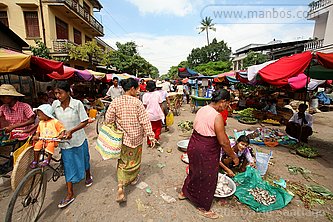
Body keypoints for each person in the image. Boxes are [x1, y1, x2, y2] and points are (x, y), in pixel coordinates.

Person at [179, 89, 239, 219]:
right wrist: (234, 156)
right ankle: (202, 206)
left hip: (194, 144)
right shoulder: (217, 116)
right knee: (208, 177)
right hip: (205, 149)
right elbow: (223, 142)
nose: (227, 107)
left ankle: (185, 193)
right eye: (227, 104)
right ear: (222, 102)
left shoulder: (202, 109)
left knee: (194, 171)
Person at [105, 78, 157, 203]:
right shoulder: (137, 103)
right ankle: (133, 179)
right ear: (132, 89)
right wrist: (151, 135)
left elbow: (108, 119)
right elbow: (145, 121)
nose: (138, 91)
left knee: (123, 162)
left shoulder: (116, 102)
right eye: (137, 89)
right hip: (137, 138)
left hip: (122, 139)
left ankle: (120, 188)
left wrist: (116, 126)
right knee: (135, 160)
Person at [52, 81, 93, 209]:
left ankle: (87, 175)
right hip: (64, 142)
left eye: (60, 93)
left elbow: (85, 121)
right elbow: (51, 119)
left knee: (84, 159)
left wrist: (71, 131)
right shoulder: (55, 105)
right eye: (56, 93)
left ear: (68, 92)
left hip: (78, 138)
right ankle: (70, 193)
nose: (58, 96)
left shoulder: (77, 104)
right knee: (68, 165)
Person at [30, 104, 65, 168]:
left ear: (46, 114)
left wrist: (61, 135)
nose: (38, 117)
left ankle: (48, 159)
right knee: (37, 145)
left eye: (39, 115)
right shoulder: (41, 123)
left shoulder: (55, 122)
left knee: (50, 146)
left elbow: (61, 129)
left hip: (52, 140)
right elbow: (38, 131)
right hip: (42, 139)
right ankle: (35, 160)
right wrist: (36, 136)